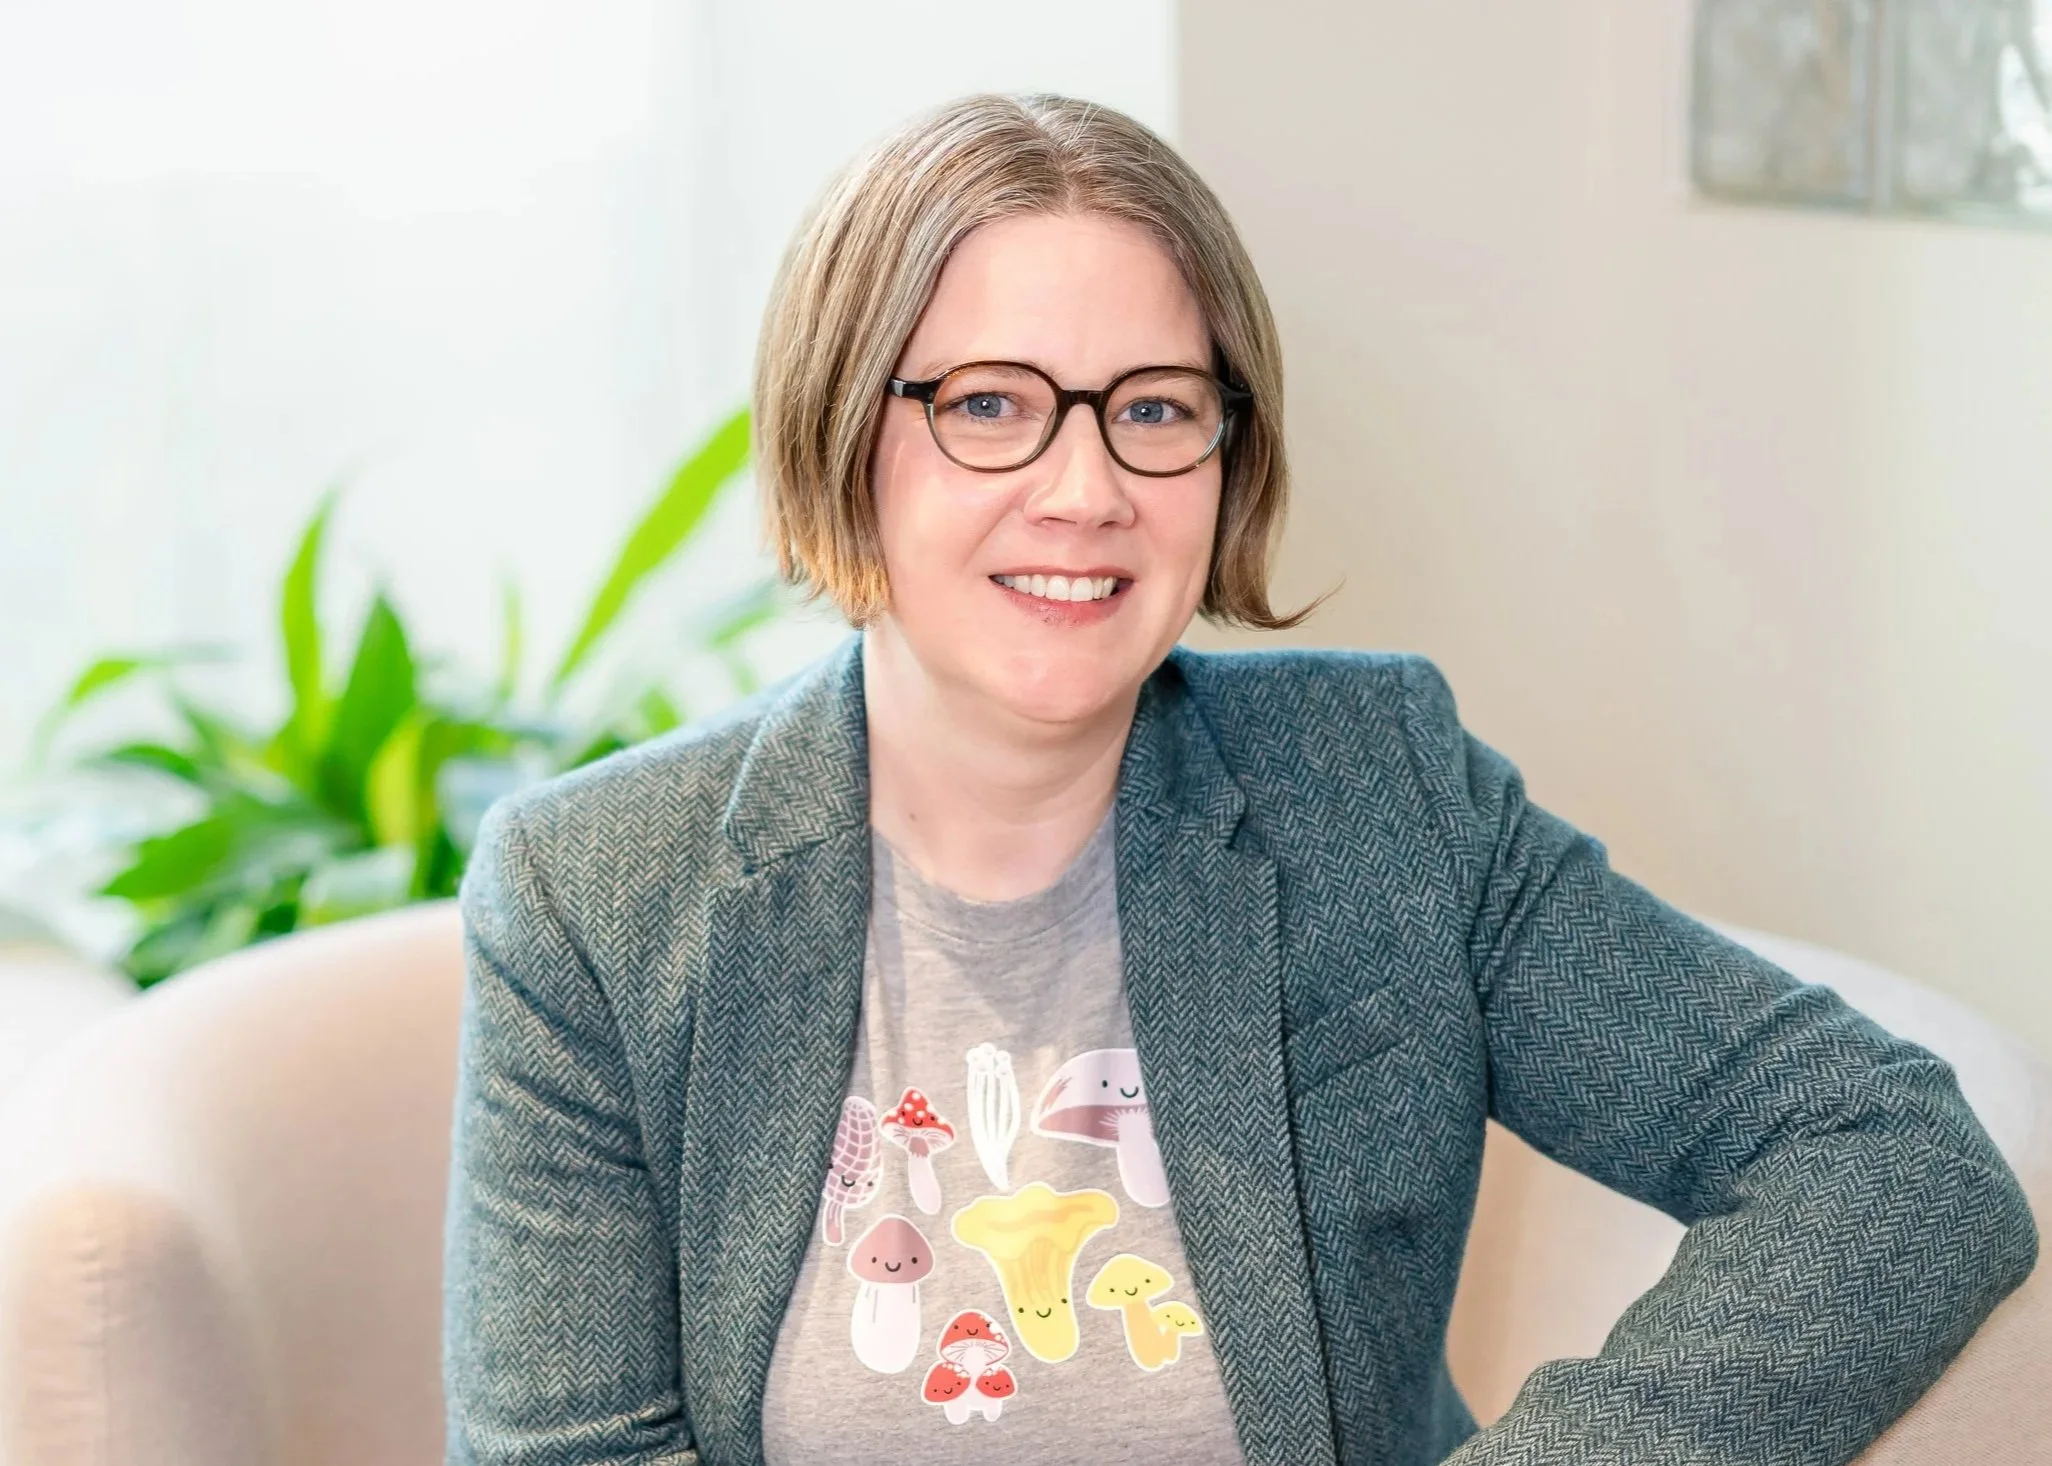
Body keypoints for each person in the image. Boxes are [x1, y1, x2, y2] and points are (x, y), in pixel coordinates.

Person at [440, 93, 2037, 1466]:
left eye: (1152, 411)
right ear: (841, 435)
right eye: (989, 405)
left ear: (1226, 460)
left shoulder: (1379, 797)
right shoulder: (597, 894)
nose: (1085, 489)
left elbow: (1885, 1156)